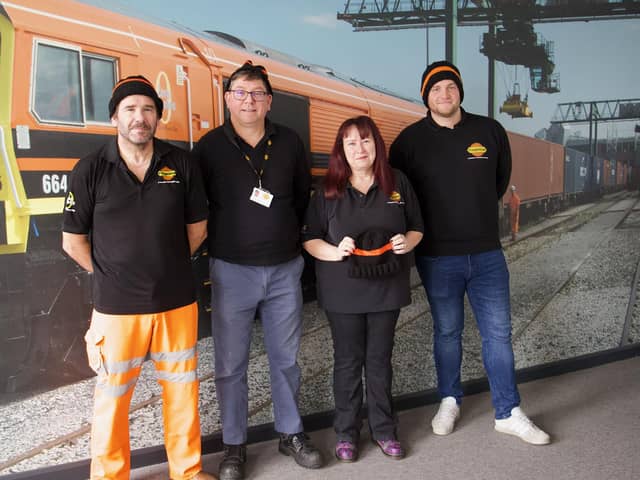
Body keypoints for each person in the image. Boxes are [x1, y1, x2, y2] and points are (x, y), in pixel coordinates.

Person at [62, 76, 215, 479]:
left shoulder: (181, 163)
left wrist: (165, 264)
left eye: (148, 109)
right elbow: (72, 241)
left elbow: (197, 228)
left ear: (157, 118)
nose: (139, 117)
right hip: (116, 309)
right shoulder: (90, 169)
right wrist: (113, 273)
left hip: (176, 301)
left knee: (182, 392)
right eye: (130, 109)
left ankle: (187, 471)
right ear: (114, 116)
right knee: (111, 400)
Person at [389, 61, 551, 445]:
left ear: (459, 91)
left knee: (498, 333)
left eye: (450, 87)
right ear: (425, 95)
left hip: (486, 255)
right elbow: (401, 196)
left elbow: (498, 181)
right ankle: (449, 399)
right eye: (435, 89)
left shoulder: (489, 131)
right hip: (437, 257)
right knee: (447, 332)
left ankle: (507, 411)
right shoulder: (409, 142)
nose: (444, 95)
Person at [192, 62, 323, 480]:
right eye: (241, 92)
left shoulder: (289, 142)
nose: (249, 100)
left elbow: (303, 196)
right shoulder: (208, 147)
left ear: (269, 100)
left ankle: (290, 433)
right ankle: (234, 446)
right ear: (228, 98)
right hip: (232, 271)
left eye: (257, 93)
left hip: (285, 269)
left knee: (286, 360)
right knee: (231, 365)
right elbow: (198, 209)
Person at [303, 116, 424, 462]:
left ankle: (384, 430)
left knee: (380, 360)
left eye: (366, 140)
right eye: (351, 142)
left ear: (377, 145)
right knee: (348, 361)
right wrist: (334, 251)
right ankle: (346, 432)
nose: (360, 148)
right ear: (341, 149)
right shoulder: (327, 189)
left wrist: (407, 242)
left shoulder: (397, 182)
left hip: (387, 288)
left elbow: (417, 226)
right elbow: (309, 239)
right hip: (343, 292)